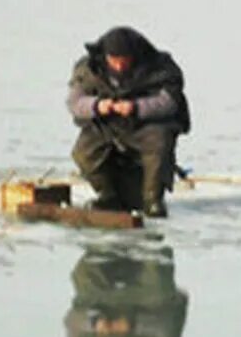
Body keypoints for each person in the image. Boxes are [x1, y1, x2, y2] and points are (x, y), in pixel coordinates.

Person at [67, 26, 190, 217]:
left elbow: (170, 102)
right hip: (106, 125)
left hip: (146, 125)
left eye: (124, 61)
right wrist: (97, 106)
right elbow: (75, 101)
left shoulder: (160, 67)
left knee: (158, 144)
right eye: (114, 61)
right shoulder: (89, 69)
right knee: (83, 153)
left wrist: (136, 107)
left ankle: (153, 201)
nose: (119, 66)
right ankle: (108, 196)